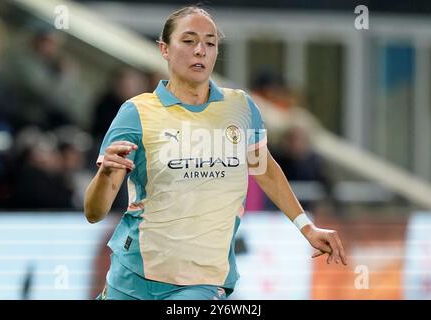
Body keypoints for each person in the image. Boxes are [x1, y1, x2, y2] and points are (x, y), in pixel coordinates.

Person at [84, 5, 347, 301]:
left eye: (210, 43)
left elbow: (265, 169)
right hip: (131, 276)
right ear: (164, 49)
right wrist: (105, 172)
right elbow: (95, 213)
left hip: (202, 282)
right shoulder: (136, 113)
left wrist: (306, 227)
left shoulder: (240, 108)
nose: (201, 50)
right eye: (188, 41)